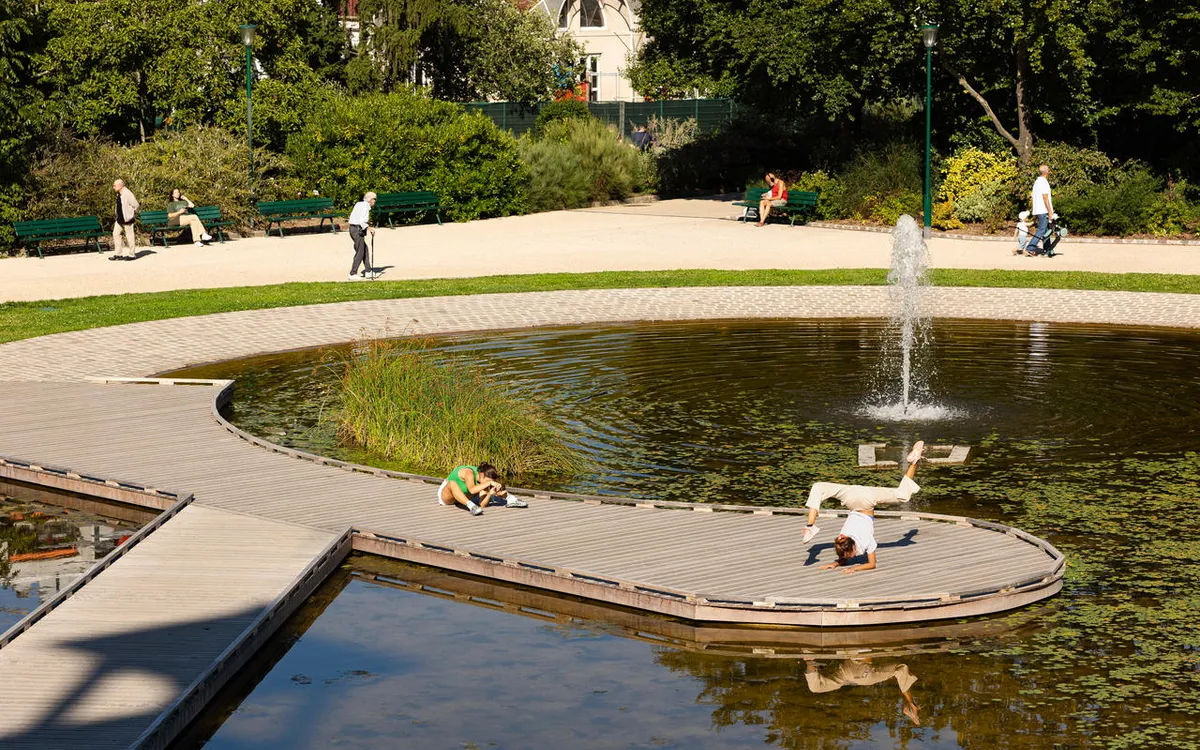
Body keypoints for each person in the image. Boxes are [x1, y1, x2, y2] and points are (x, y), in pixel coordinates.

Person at [801, 440, 925, 573]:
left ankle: (914, 462)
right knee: (818, 486)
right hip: (853, 495)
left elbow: (872, 564)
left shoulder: (866, 542)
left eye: (851, 555)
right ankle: (810, 526)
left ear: (853, 548)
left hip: (865, 500)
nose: (852, 557)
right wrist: (835, 564)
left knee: (903, 495)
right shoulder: (843, 538)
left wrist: (854, 568)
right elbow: (845, 553)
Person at [804, 658, 921, 726]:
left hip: (856, 675)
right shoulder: (843, 678)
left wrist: (910, 701)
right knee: (816, 687)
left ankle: (811, 662)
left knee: (899, 669)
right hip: (850, 674)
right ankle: (810, 661)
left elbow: (900, 670)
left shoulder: (842, 679)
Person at [437, 462, 529, 516]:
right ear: (481, 475)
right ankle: (471, 507)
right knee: (452, 483)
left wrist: (490, 493)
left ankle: (511, 499)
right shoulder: (469, 473)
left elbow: (482, 504)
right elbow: (472, 490)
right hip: (448, 497)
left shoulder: (482, 481)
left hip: (465, 498)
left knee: (491, 489)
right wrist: (488, 483)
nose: (487, 483)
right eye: (487, 481)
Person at [347, 191, 380, 281]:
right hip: (358, 230)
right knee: (360, 251)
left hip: (352, 229)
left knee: (364, 249)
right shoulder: (365, 207)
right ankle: (352, 273)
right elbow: (362, 221)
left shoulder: (359, 204)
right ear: (371, 200)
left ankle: (368, 271)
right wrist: (370, 229)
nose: (375, 202)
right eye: (374, 199)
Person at [1025, 164, 1054, 256]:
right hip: (1043, 210)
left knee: (1046, 230)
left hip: (1038, 209)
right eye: (1048, 170)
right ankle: (1030, 247)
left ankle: (1047, 249)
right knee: (1042, 230)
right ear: (1046, 172)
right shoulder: (1044, 182)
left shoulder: (1037, 182)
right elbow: (1045, 197)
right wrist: (1050, 211)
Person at [110, 179, 140, 261]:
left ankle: (132, 254)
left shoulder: (128, 193)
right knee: (115, 233)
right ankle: (118, 254)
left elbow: (136, 205)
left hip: (127, 218)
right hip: (120, 218)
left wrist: (131, 214)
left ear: (120, 185)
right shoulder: (119, 194)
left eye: (114, 185)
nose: (113, 187)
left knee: (129, 236)